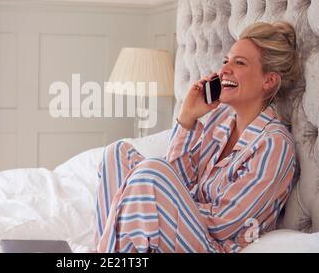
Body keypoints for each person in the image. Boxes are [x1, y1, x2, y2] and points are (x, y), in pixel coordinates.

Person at [94, 21, 300, 253]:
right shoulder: (218, 120)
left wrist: (166, 201)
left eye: (239, 62)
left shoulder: (274, 144)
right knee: (117, 153)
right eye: (225, 61)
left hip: (214, 246)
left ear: (268, 81)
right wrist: (187, 117)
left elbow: (225, 224)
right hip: (184, 232)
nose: (224, 70)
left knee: (150, 174)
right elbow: (177, 178)